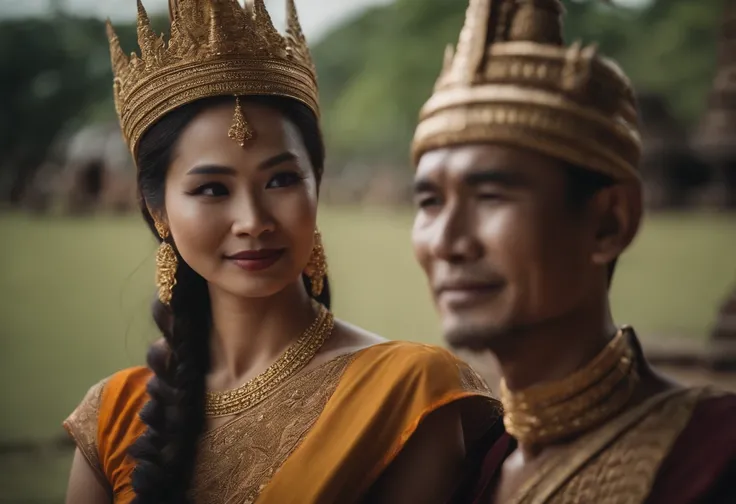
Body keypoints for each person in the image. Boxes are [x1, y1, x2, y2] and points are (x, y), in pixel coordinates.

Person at [62, 1, 501, 502]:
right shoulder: (114, 413)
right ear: (157, 209)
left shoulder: (407, 390)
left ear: (317, 184)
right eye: (211, 189)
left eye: (281, 179)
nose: (252, 221)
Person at [410, 0, 736, 502]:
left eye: (491, 195)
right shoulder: (473, 463)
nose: (449, 242)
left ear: (610, 222)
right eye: (430, 201)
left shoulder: (713, 456)